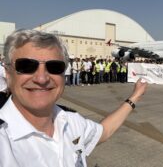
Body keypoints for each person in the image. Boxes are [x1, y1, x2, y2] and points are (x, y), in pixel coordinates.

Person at [0, 29, 148, 167]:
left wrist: (135, 97)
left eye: (54, 67)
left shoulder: (70, 120)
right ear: (7, 73)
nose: (42, 78)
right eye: (26, 66)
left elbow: (104, 131)